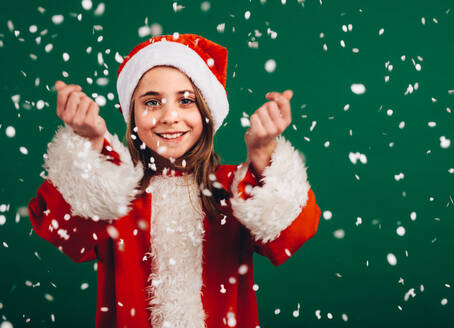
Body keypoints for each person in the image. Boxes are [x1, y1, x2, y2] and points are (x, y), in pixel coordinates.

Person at [28, 33, 321, 328]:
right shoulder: (113, 191)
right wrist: (88, 144)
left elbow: (289, 236)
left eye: (186, 100)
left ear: (208, 113)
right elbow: (61, 229)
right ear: (132, 116)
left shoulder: (235, 189)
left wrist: (262, 152)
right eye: (152, 102)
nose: (169, 116)